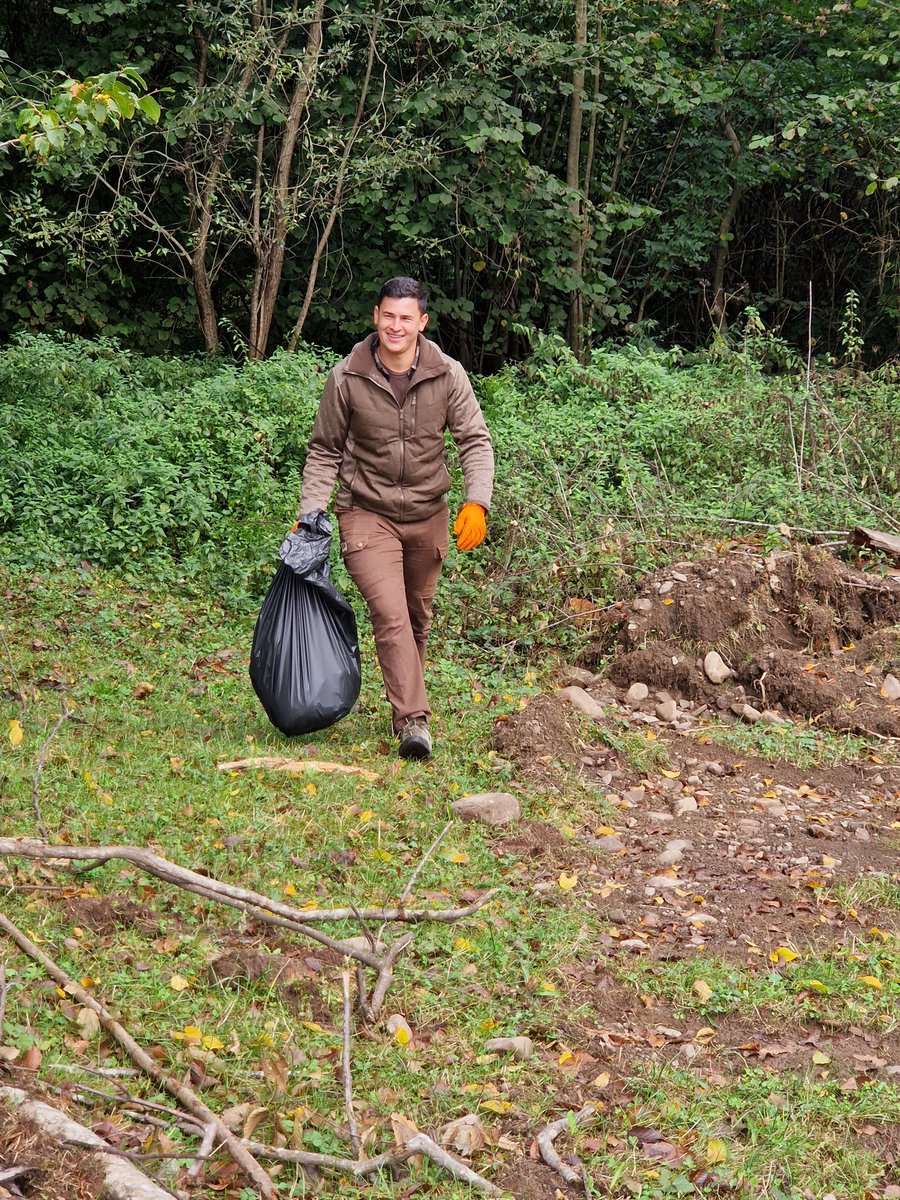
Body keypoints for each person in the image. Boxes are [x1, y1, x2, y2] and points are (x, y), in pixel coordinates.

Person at [297, 276, 494, 759]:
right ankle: (414, 722)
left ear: (422, 322)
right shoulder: (347, 377)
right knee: (391, 615)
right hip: (366, 512)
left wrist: (477, 502)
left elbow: (474, 441)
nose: (396, 326)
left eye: (406, 318)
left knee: (415, 619)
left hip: (428, 514)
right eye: (389, 315)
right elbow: (324, 451)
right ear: (376, 317)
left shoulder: (448, 374)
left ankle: (404, 704)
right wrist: (310, 513)